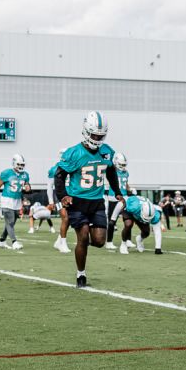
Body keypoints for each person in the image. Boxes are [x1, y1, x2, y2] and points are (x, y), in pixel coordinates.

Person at [50, 112, 123, 285]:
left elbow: (111, 171)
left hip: (97, 201)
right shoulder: (73, 152)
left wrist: (117, 191)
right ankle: (81, 274)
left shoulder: (107, 151)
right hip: (77, 201)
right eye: (94, 134)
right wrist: (63, 196)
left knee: (98, 241)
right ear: (86, 131)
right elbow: (59, 176)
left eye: (101, 135)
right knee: (82, 237)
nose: (97, 138)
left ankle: (81, 246)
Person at [0, 154, 29, 250]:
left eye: (22, 164)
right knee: (10, 222)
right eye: (19, 164)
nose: (21, 166)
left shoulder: (25, 175)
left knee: (11, 223)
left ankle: (1, 241)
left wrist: (28, 188)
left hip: (17, 200)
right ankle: (14, 242)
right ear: (14, 163)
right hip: (7, 199)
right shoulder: (6, 173)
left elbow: (27, 187)